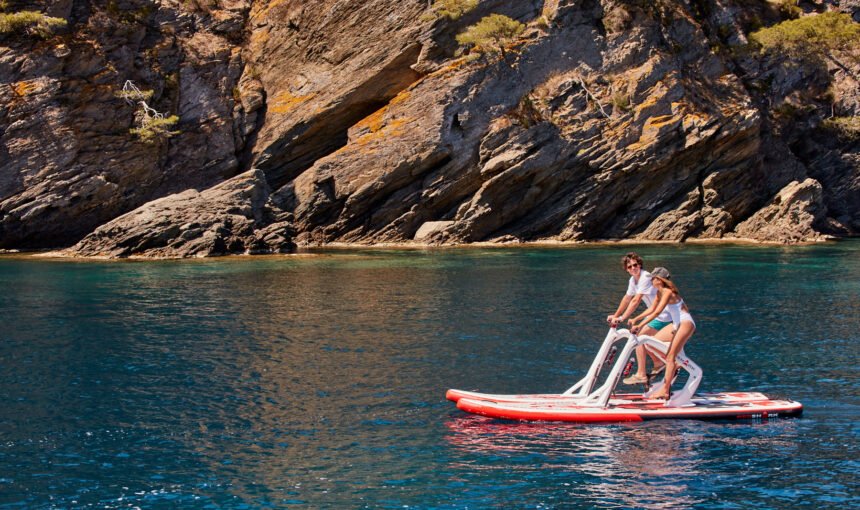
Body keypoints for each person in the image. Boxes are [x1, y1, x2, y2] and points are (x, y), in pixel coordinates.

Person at [628, 267, 696, 400]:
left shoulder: (667, 292)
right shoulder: (660, 293)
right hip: (677, 325)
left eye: (653, 279)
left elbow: (657, 312)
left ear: (659, 280)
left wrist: (640, 325)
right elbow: (652, 309)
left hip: (685, 324)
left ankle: (665, 390)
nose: (651, 281)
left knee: (670, 357)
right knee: (649, 343)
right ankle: (670, 363)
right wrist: (636, 319)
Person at [605, 253, 673, 384]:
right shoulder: (633, 280)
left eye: (635, 265)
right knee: (642, 340)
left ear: (640, 265)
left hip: (663, 316)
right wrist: (616, 315)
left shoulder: (645, 277)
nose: (633, 268)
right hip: (654, 315)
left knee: (639, 338)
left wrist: (623, 317)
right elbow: (627, 298)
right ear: (626, 269)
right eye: (629, 266)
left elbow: (636, 300)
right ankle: (658, 362)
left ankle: (642, 373)